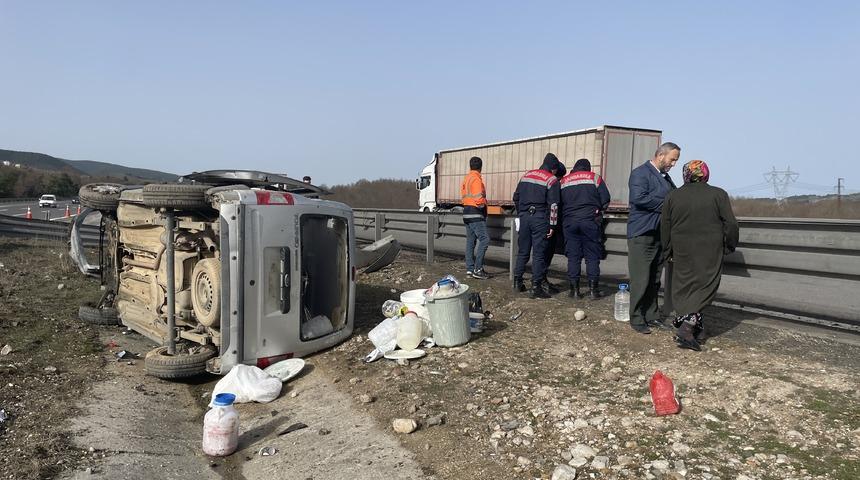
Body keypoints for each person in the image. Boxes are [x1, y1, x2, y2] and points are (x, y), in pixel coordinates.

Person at [661, 160, 738, 351]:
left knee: (684, 286)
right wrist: (729, 244)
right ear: (705, 174)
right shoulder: (718, 194)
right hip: (709, 250)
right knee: (705, 286)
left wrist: (667, 249)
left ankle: (696, 327)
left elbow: (665, 226)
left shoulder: (673, 196)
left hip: (682, 248)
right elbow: (731, 224)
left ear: (686, 175)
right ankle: (687, 329)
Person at [626, 142, 680, 334]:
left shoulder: (666, 178)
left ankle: (652, 315)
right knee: (641, 278)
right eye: (672, 159)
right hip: (642, 233)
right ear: (660, 155)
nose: (673, 164)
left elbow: (676, 197)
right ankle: (636, 317)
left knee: (654, 279)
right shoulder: (640, 173)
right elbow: (639, 198)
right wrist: (667, 205)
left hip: (659, 235)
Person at [560, 158, 611, 299]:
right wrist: (598, 210)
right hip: (590, 222)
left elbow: (558, 202)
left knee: (573, 258)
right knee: (592, 257)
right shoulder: (595, 178)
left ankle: (574, 291)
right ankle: (593, 291)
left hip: (570, 222)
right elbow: (605, 199)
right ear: (587, 168)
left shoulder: (564, 181)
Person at [512, 153, 561, 298]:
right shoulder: (551, 180)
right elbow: (553, 205)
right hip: (540, 218)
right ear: (553, 169)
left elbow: (516, 197)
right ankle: (536, 287)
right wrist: (552, 225)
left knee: (523, 252)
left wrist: (522, 213)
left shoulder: (526, 175)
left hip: (525, 217)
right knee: (539, 254)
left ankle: (517, 282)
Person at [461, 156, 490, 280]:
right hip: (475, 213)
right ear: (481, 167)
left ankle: (470, 269)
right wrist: (484, 204)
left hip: (466, 212)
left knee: (470, 242)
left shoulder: (466, 178)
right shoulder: (477, 179)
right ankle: (478, 269)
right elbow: (479, 199)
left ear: (470, 166)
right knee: (485, 240)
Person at [544, 161, 567, 293]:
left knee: (547, 253)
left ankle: (543, 279)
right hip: (549, 224)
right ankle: (541, 280)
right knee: (545, 253)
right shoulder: (553, 184)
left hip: (550, 223)